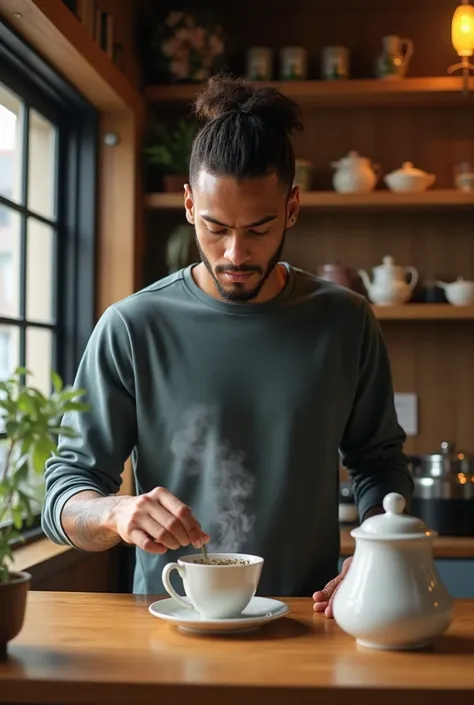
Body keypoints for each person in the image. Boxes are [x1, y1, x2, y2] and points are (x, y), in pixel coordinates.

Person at [41, 75, 413, 616]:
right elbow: (64, 495)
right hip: (170, 622)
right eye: (216, 227)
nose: (235, 253)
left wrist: (378, 549)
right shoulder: (132, 326)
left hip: (309, 618)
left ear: (292, 207)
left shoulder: (346, 321)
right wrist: (115, 513)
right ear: (190, 205)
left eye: (258, 229)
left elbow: (378, 462)